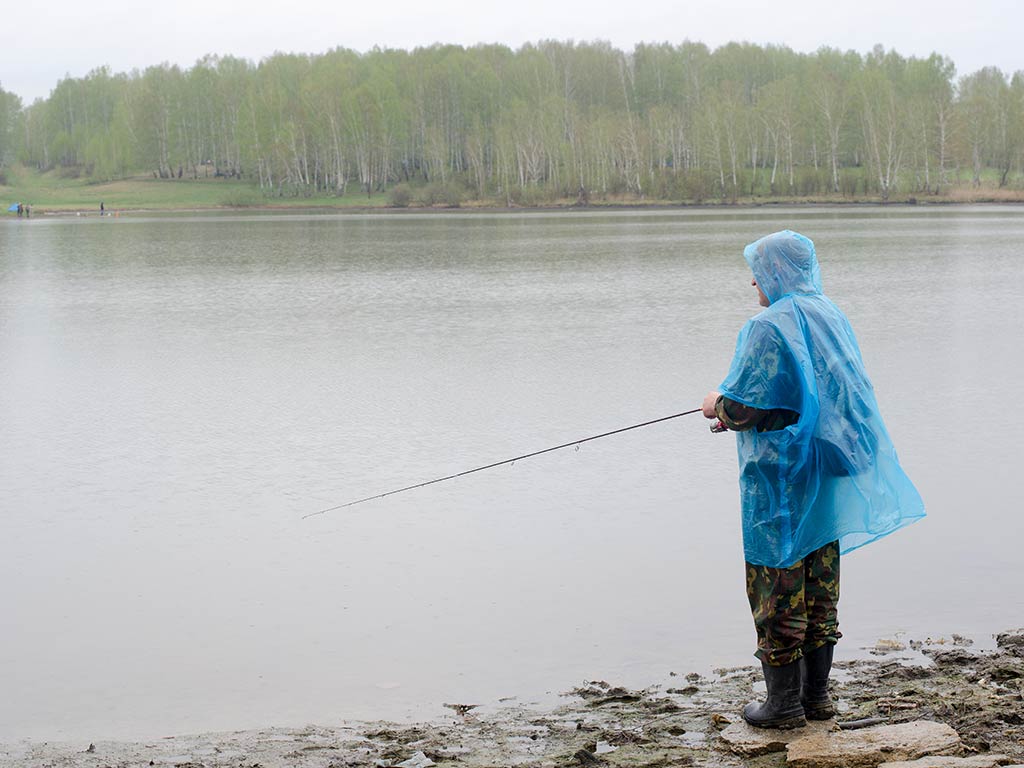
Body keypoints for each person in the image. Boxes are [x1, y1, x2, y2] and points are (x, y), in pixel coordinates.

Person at [702, 230, 925, 729]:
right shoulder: (831, 314)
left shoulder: (766, 326)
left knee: (776, 585)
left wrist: (717, 405)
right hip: (825, 473)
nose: (752, 280)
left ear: (777, 272)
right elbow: (824, 394)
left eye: (757, 271)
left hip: (780, 481)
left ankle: (783, 705)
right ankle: (817, 697)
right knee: (819, 582)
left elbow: (744, 404)